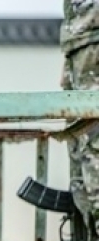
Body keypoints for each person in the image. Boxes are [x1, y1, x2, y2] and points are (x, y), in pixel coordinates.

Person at [61, 0, 99, 228]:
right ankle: (88, 226)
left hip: (90, 39)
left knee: (92, 139)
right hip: (78, 41)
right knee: (78, 139)